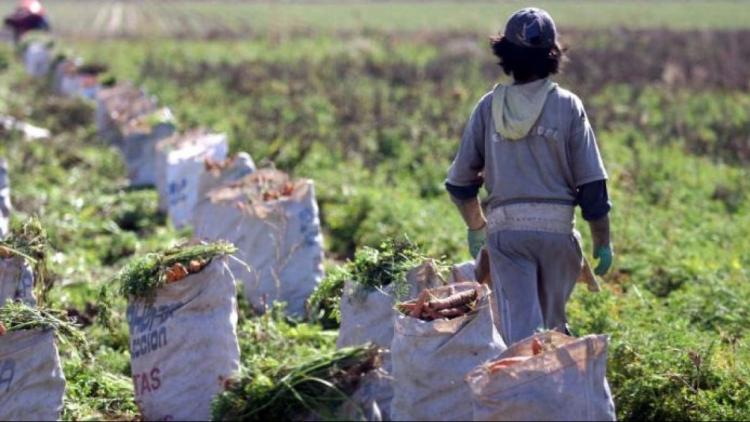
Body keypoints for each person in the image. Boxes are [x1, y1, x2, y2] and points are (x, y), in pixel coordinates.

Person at [445, 7, 613, 344]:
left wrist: (477, 228)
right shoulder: (568, 106)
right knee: (551, 328)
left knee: (520, 334)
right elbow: (593, 187)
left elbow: (461, 183)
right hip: (558, 238)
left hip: (508, 237)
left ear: (505, 54)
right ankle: (560, 383)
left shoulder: (488, 107)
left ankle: (525, 389)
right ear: (553, 54)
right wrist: (602, 242)